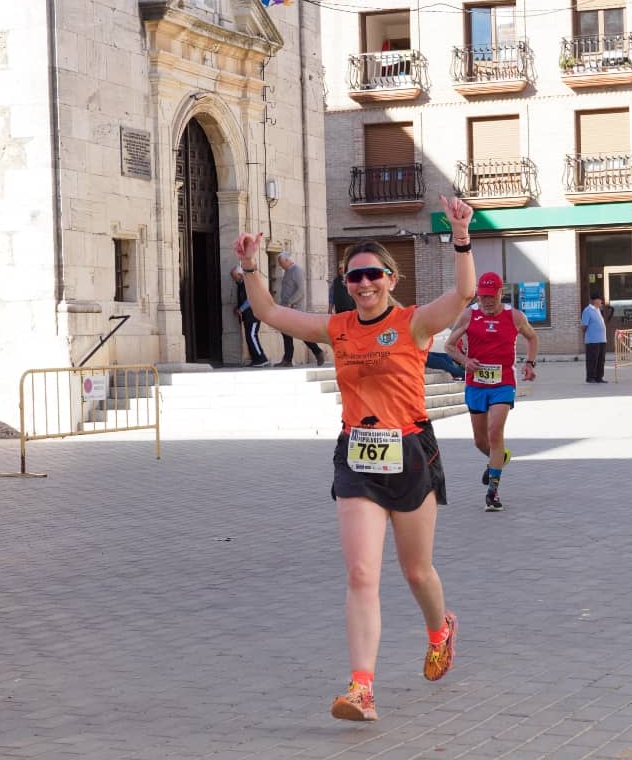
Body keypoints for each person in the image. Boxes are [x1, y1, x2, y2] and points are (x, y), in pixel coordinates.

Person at [231, 195, 476, 722]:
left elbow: (463, 293)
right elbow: (270, 312)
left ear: (390, 279)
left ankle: (440, 630)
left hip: (410, 453)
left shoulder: (413, 323)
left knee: (416, 572)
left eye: (372, 275)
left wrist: (461, 237)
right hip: (357, 458)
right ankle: (361, 688)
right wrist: (251, 266)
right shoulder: (337, 328)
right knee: (362, 573)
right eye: (354, 277)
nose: (363, 284)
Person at [446, 273, 539, 512]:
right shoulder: (469, 315)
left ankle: (493, 492)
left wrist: (530, 363)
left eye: (491, 296)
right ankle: (498, 458)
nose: (487, 301)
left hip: (503, 382)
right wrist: (465, 361)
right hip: (476, 383)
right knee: (480, 441)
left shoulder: (515, 316)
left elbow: (532, 337)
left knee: (495, 431)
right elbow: (449, 346)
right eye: (483, 297)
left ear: (501, 293)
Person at [274, 252, 325, 367]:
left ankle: (318, 352)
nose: (280, 266)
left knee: (301, 333)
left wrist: (290, 302)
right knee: (286, 332)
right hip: (286, 309)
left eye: (281, 263)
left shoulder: (296, 270)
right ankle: (287, 359)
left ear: (287, 260)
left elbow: (301, 291)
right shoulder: (287, 271)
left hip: (294, 308)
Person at [230, 265, 270, 367]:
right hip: (248, 316)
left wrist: (241, 309)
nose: (234, 279)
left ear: (240, 274)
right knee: (249, 337)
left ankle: (262, 359)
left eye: (234, 276)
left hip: (254, 315)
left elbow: (251, 299)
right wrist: (238, 308)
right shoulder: (241, 284)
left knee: (252, 336)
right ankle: (256, 359)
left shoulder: (249, 283)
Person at [580, 294, 608, 384]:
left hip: (602, 339)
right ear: (595, 300)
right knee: (592, 359)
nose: (601, 302)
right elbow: (583, 326)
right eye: (600, 300)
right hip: (592, 340)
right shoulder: (587, 311)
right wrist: (590, 334)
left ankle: (599, 377)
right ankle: (590, 377)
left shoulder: (598, 310)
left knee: (601, 359)